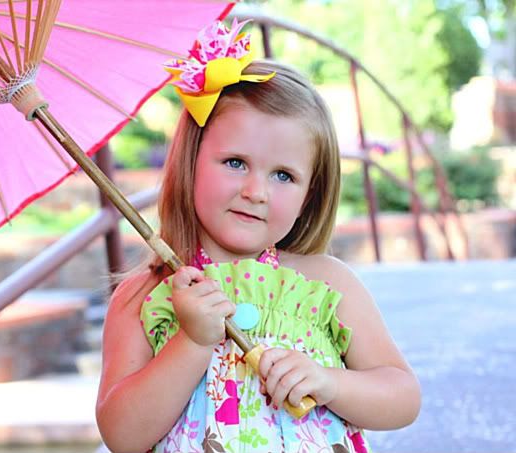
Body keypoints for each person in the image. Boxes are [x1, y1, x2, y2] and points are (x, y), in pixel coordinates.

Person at [95, 19, 420, 453]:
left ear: (310, 194)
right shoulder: (145, 296)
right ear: (191, 162)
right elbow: (122, 436)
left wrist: (330, 382)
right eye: (235, 163)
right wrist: (191, 341)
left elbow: (402, 397)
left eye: (283, 175)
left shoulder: (325, 283)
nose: (256, 191)